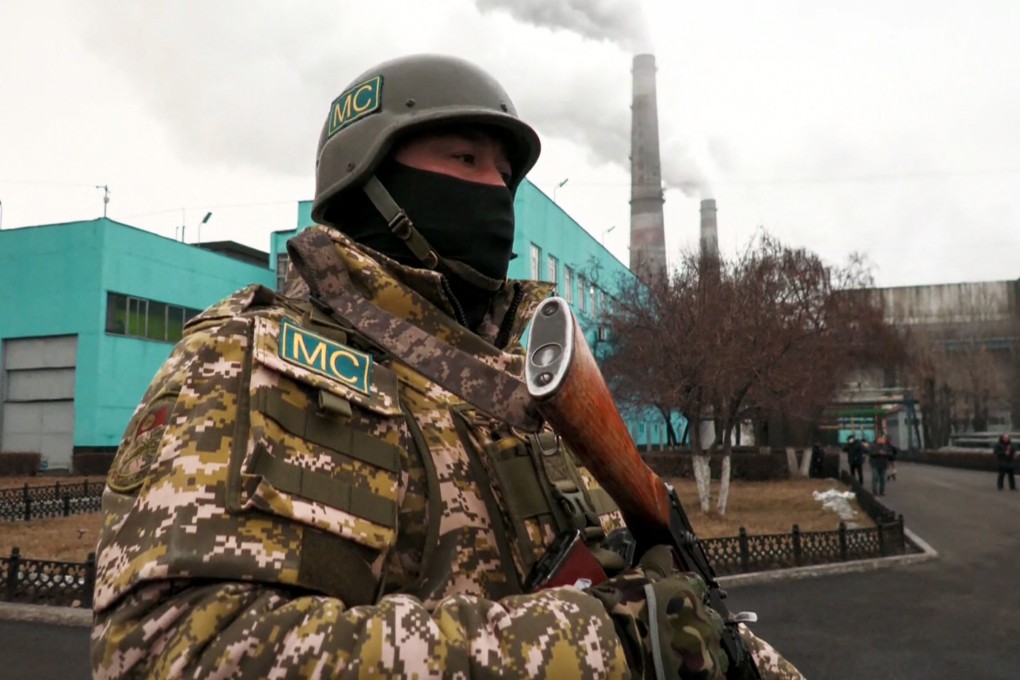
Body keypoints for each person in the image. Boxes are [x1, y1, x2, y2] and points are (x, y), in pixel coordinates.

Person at [90, 54, 804, 680]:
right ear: (371, 181)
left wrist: (706, 640)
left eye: (505, 174)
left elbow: (648, 601)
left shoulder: (531, 384)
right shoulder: (249, 362)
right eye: (466, 160)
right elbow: (173, 650)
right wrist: (601, 642)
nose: (496, 189)